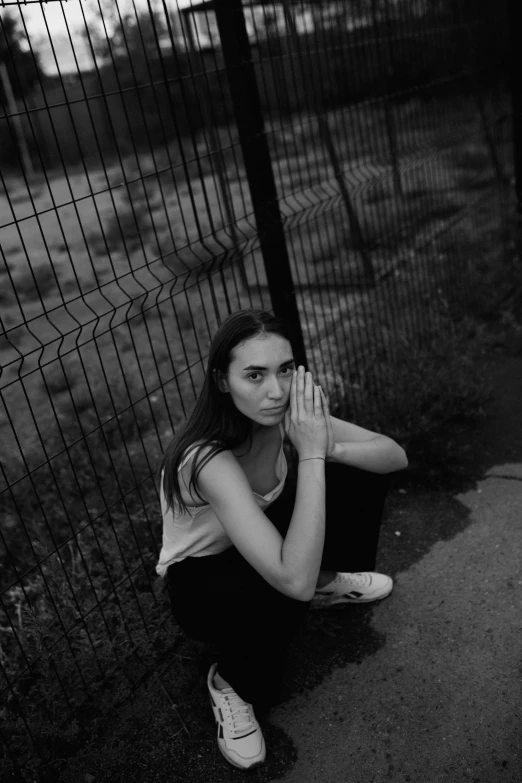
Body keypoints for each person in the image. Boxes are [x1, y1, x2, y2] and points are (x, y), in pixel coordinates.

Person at [156, 308, 408, 770]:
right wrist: (310, 453)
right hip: (205, 582)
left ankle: (329, 578)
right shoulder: (206, 458)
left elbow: (393, 456)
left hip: (264, 542)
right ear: (222, 380)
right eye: (254, 375)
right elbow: (293, 580)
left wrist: (325, 446)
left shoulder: (286, 412)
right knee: (288, 594)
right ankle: (229, 683)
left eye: (285, 370)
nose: (276, 390)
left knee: (354, 470)